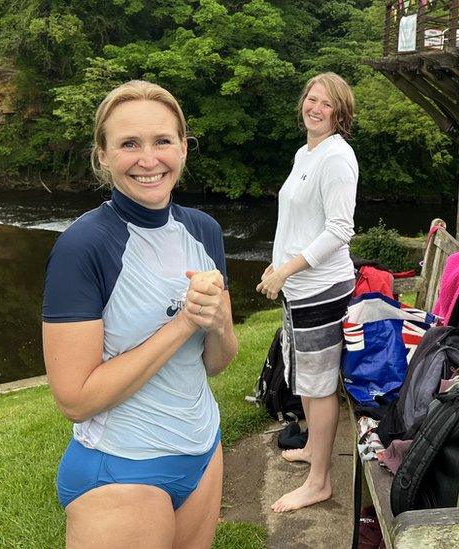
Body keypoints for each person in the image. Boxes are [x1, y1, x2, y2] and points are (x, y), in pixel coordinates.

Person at [42, 80, 238, 547]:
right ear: (103, 155)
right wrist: (185, 322)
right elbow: (75, 398)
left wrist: (219, 321)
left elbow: (216, 361)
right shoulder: (83, 246)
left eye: (162, 141)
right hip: (122, 469)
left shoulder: (204, 231)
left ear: (184, 149)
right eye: (129, 144)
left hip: (203, 450)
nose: (149, 160)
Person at [256, 72, 358, 513]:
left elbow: (339, 230)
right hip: (298, 286)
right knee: (306, 380)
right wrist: (278, 264)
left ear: (340, 114)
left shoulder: (337, 158)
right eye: (311, 99)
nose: (314, 108)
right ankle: (314, 452)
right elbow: (298, 222)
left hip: (320, 289)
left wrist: (288, 270)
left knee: (318, 387)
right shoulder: (305, 152)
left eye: (326, 104)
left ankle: (319, 481)